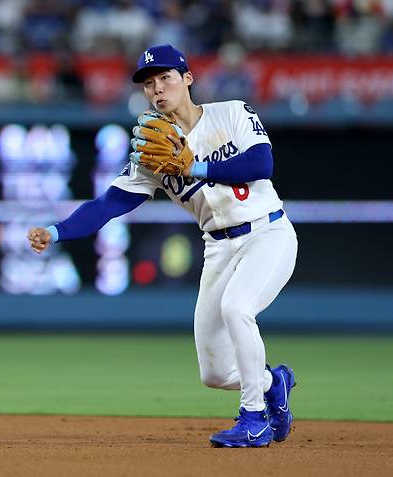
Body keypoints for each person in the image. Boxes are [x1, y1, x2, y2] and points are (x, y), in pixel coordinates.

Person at [27, 44, 298, 448]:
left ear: (188, 79)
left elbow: (261, 166)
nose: (157, 89)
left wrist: (194, 167)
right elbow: (111, 203)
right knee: (216, 373)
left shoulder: (233, 112)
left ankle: (254, 419)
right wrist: (57, 230)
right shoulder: (154, 150)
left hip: (268, 234)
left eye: (166, 78)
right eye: (149, 84)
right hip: (219, 248)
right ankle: (272, 383)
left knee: (237, 308)